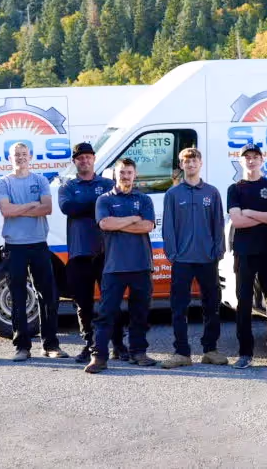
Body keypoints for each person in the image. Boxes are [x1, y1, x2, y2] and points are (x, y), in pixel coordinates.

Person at [0, 142, 66, 362]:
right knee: (17, 296)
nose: (20, 158)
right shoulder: (3, 182)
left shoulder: (40, 180)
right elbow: (6, 211)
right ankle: (22, 347)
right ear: (9, 158)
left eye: (24, 154)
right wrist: (31, 206)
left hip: (38, 244)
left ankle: (50, 344)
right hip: (14, 246)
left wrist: (20, 208)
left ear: (31, 156)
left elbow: (47, 208)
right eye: (16, 155)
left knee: (48, 295)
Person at [85, 158, 158, 373]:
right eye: (121, 173)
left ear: (135, 175)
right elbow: (106, 224)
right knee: (106, 313)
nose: (125, 176)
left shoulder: (144, 199)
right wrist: (133, 218)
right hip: (114, 266)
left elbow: (147, 226)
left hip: (141, 265)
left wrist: (121, 223)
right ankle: (99, 357)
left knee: (140, 313)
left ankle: (138, 352)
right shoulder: (104, 200)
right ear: (114, 175)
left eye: (129, 172)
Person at [160, 147, 228, 369]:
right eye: (185, 161)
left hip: (207, 259)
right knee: (179, 307)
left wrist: (218, 251)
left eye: (194, 160)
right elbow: (168, 228)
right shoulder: (172, 194)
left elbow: (218, 224)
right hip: (182, 261)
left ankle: (211, 350)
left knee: (212, 306)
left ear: (200, 163)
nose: (190, 165)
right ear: (181, 165)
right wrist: (173, 254)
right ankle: (181, 352)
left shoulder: (211, 192)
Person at [59, 141, 124, 363]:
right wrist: (98, 205)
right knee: (83, 304)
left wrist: (87, 206)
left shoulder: (107, 183)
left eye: (88, 156)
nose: (84, 160)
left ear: (94, 159)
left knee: (111, 301)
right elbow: (69, 208)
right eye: (80, 158)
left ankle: (118, 344)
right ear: (74, 162)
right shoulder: (67, 187)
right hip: (80, 254)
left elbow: (116, 207)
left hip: (107, 252)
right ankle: (89, 345)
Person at [227, 143, 267, 369]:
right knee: (243, 303)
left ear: (262, 160)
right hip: (244, 253)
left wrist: (250, 212)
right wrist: (262, 215)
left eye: (255, 157)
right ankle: (245, 353)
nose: (251, 161)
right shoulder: (234, 189)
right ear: (241, 161)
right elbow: (237, 221)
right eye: (247, 157)